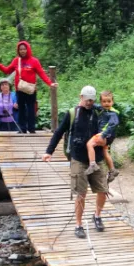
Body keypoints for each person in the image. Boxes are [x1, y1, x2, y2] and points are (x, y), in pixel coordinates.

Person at [43, 85, 107, 239]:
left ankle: (97, 215)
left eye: (92, 100)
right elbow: (59, 132)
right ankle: (78, 225)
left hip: (97, 158)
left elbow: (109, 129)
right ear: (81, 97)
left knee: (103, 190)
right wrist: (49, 151)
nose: (89, 103)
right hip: (78, 158)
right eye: (87, 100)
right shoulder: (72, 113)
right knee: (81, 193)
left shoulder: (99, 112)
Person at [0, 41, 57, 134]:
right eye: (20, 49)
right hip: (20, 89)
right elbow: (7, 70)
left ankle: (31, 128)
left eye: (24, 49)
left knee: (31, 109)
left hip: (30, 89)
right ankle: (22, 129)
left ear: (28, 49)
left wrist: (50, 83)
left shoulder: (34, 61)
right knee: (21, 109)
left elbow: (41, 73)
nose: (22, 51)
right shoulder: (16, 60)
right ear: (18, 50)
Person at [85, 90, 120, 184]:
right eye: (104, 101)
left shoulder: (113, 113)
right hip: (107, 136)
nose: (106, 103)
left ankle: (92, 164)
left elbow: (113, 124)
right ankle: (113, 170)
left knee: (89, 144)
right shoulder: (103, 109)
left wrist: (103, 135)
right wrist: (89, 103)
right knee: (105, 152)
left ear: (112, 102)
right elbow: (96, 106)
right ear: (101, 102)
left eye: (109, 101)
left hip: (105, 135)